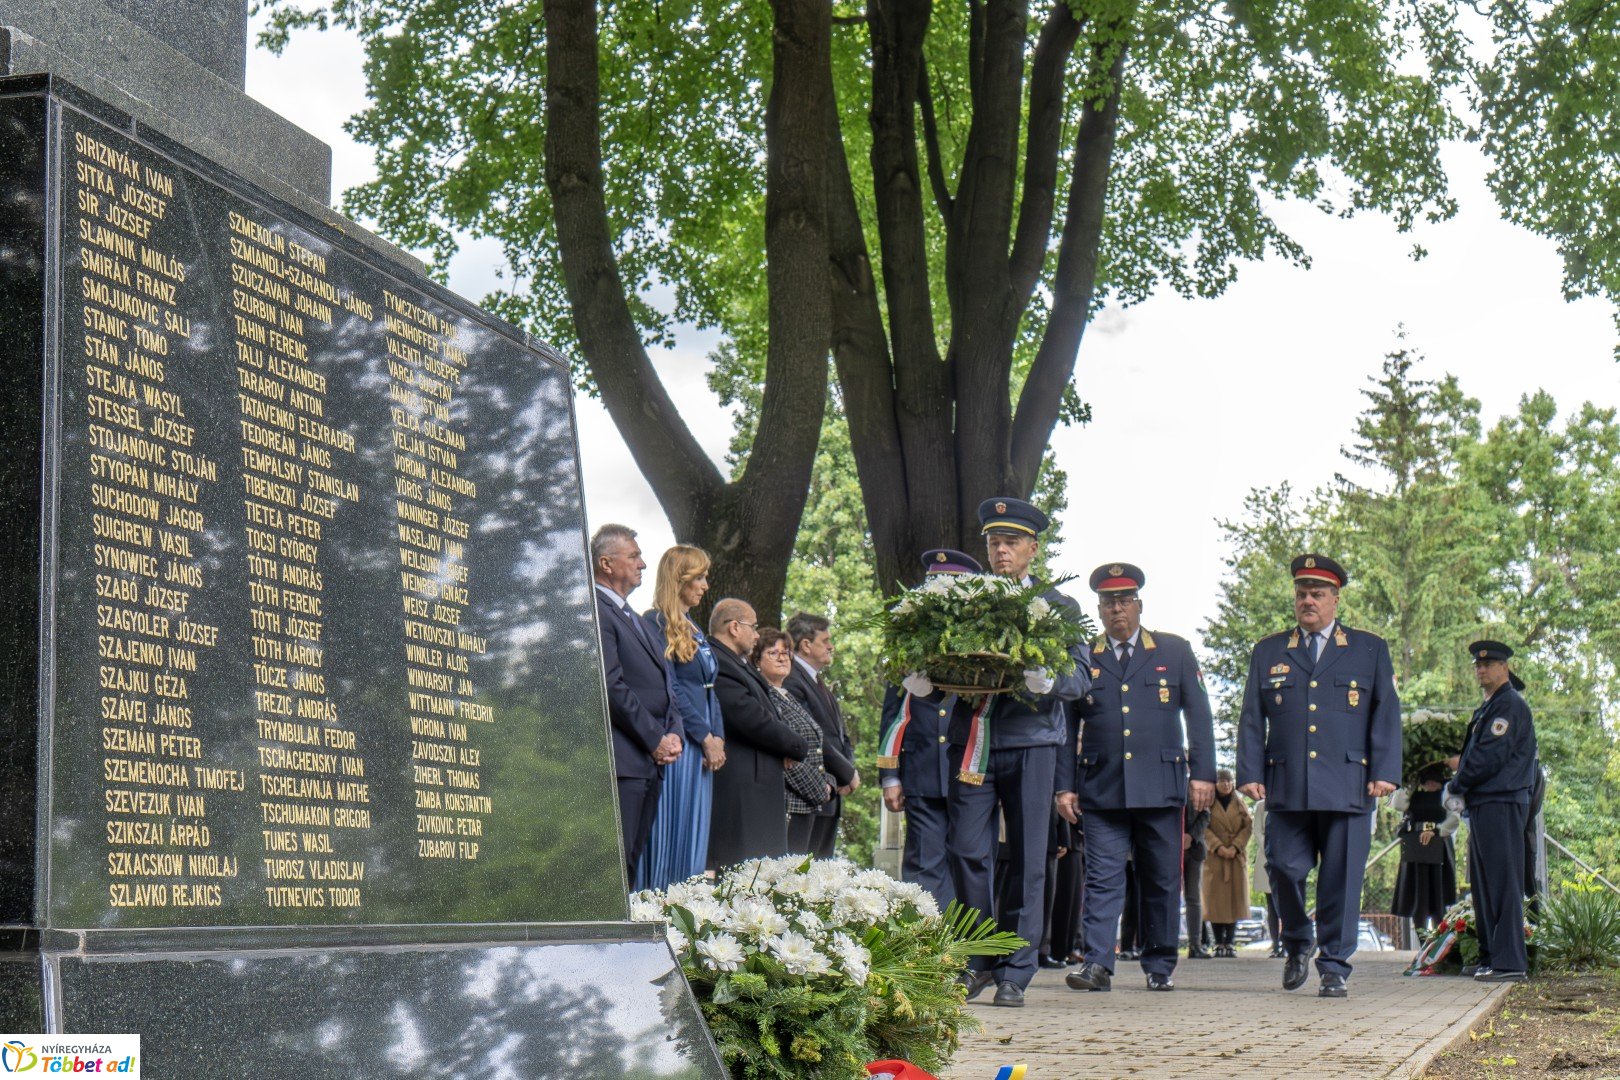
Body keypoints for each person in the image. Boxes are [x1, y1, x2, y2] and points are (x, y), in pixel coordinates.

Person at [917, 497, 1089, 1008]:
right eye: (994, 542)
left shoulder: (1059, 607)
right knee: (968, 852)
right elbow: (951, 665)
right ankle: (978, 961)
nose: (1001, 550)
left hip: (1032, 744)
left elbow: (1080, 680)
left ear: (1033, 549)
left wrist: (1050, 679)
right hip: (974, 743)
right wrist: (930, 682)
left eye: (1011, 542)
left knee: (1029, 859)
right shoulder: (966, 601)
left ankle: (1017, 967)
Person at [1236, 554, 1401, 999]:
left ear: (1335, 599)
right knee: (1283, 869)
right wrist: (1249, 772)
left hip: (1349, 782)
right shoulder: (1269, 650)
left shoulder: (1368, 648)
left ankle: (1333, 965)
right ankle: (1297, 941)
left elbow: (1386, 712)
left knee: (1341, 880)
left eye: (1317, 594)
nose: (1308, 601)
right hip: (1287, 783)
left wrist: (1385, 771)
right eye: (1301, 593)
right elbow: (1252, 717)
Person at [1061, 563, 1215, 994]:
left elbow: (1199, 718)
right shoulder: (1083, 657)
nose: (1117, 609)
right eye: (1109, 603)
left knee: (1162, 879)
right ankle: (1096, 964)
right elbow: (1065, 729)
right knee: (1102, 879)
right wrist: (1064, 785)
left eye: (1125, 601)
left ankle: (1160, 963)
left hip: (1161, 786)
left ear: (1139, 605)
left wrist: (1202, 774)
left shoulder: (1174, 651)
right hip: (1102, 787)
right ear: (1099, 609)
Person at [878, 549, 984, 908]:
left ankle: (962, 951)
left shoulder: (984, 639)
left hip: (969, 769)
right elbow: (893, 713)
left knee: (966, 859)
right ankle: (924, 947)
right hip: (921, 767)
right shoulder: (911, 644)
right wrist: (890, 776)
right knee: (923, 864)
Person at [592, 525, 685, 887]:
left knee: (633, 860)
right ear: (606, 563)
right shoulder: (598, 611)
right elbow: (612, 684)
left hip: (650, 761)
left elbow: (666, 684)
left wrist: (674, 732)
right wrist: (654, 738)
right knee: (616, 867)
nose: (643, 563)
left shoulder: (636, 618)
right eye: (632, 556)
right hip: (625, 759)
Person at [1447, 640, 1538, 983]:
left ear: (1505, 668)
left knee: (1502, 882)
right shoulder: (1489, 706)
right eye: (1478, 665)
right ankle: (1491, 957)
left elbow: (1488, 758)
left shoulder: (1509, 705)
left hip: (1501, 801)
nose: (1482, 669)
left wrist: (1457, 784)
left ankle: (1510, 961)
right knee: (1485, 885)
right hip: (1486, 802)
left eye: (1489, 664)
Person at [639, 545, 726, 890]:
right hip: (682, 743)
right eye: (700, 577)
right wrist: (704, 736)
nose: (705, 585)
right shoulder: (655, 622)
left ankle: (688, 909)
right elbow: (671, 689)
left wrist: (717, 737)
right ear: (680, 579)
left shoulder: (695, 627)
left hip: (704, 745)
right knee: (672, 826)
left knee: (694, 829)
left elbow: (709, 688)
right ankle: (660, 903)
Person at [708, 599, 809, 868]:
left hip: (757, 788)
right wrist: (795, 746)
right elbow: (750, 718)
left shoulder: (736, 664)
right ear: (733, 627)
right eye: (752, 627)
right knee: (744, 878)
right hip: (742, 793)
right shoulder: (719, 661)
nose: (756, 634)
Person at [785, 612, 857, 857]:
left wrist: (848, 772)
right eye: (825, 640)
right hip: (810, 791)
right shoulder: (792, 679)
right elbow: (811, 735)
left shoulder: (817, 681)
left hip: (832, 792)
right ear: (806, 645)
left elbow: (839, 735)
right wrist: (845, 773)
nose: (831, 646)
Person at [756, 628, 833, 849]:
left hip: (807, 805)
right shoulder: (766, 698)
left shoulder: (787, 695)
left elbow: (814, 747)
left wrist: (828, 782)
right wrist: (819, 790)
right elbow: (787, 759)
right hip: (788, 805)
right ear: (756, 660)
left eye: (786, 652)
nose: (782, 657)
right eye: (773, 652)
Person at [1390, 764, 1459, 935]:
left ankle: (1437, 941)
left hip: (1439, 845)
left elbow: (1454, 819)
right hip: (1416, 845)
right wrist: (1410, 782)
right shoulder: (1413, 793)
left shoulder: (1446, 793)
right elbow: (1398, 804)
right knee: (1418, 896)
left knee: (1438, 898)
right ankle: (1422, 940)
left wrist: (1436, 831)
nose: (1431, 785)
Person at [1203, 771, 1252, 957]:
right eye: (1222, 781)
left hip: (1235, 857)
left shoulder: (1239, 803)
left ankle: (1230, 943)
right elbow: (1204, 826)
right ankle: (1218, 943)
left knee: (1234, 900)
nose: (1226, 784)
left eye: (1229, 781)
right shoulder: (1208, 803)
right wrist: (1217, 846)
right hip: (1214, 858)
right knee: (1215, 901)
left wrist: (1236, 846)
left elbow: (1248, 826)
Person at [1251, 797, 1284, 957]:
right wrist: (1270, 848)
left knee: (1286, 904)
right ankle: (1275, 944)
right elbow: (1257, 830)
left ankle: (1288, 943)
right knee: (1271, 904)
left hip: (1287, 857)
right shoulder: (1260, 806)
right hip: (1266, 857)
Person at [1184, 801, 1212, 958]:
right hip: (1169, 846)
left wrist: (1190, 836)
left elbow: (1205, 814)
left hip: (1195, 849)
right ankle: (1164, 946)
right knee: (1167, 897)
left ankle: (1195, 945)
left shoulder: (1196, 786)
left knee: (1193, 898)